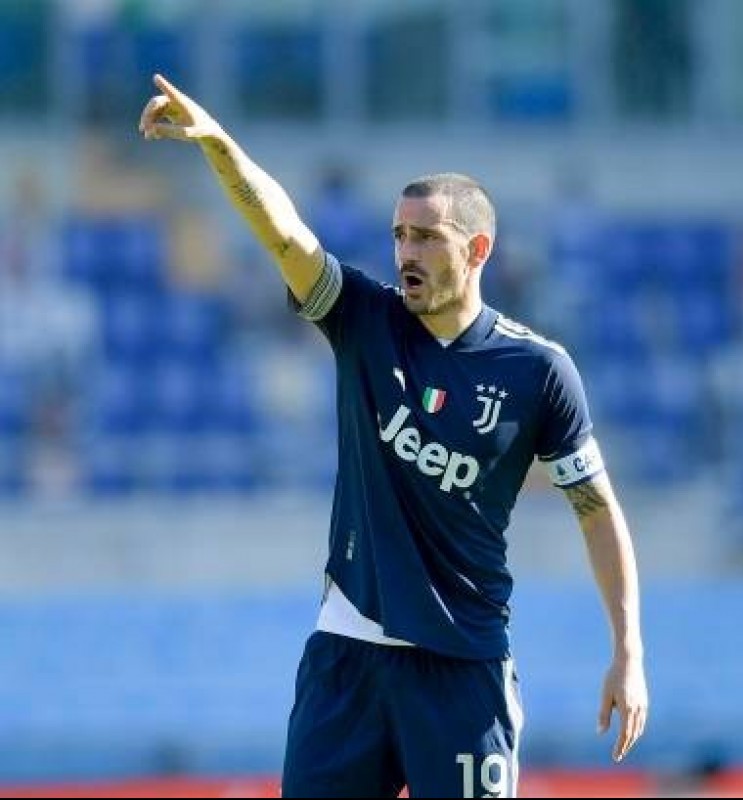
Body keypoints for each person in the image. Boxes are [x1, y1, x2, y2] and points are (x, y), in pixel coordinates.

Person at [139, 74, 648, 799]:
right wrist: (219, 145)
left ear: (475, 250)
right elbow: (285, 233)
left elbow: (597, 510)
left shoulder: (538, 371)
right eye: (399, 234)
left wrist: (628, 650)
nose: (406, 251)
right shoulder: (364, 321)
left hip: (462, 669)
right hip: (348, 659)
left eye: (427, 238)